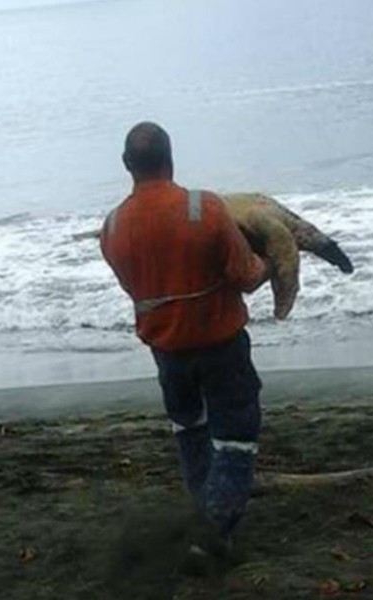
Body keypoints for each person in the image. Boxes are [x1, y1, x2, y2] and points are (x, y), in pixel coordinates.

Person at [99, 121, 270, 551]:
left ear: (126, 165)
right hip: (221, 347)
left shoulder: (113, 227)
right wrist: (270, 259)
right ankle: (212, 533)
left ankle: (205, 516)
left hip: (168, 355)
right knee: (236, 432)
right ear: (171, 158)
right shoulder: (206, 210)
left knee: (190, 429)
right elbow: (247, 278)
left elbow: (137, 288)